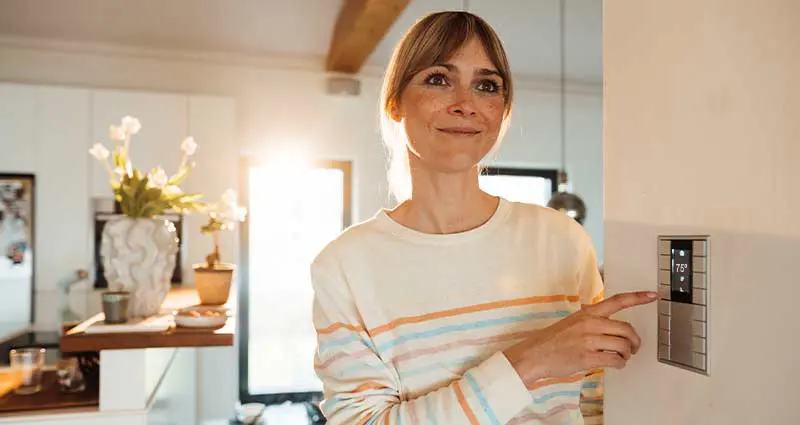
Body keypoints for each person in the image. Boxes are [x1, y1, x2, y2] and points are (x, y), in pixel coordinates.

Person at [310, 11, 655, 425]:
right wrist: (529, 361)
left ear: (502, 111)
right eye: (439, 78)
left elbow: (598, 405)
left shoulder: (563, 241)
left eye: (486, 86)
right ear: (395, 103)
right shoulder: (344, 265)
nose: (466, 104)